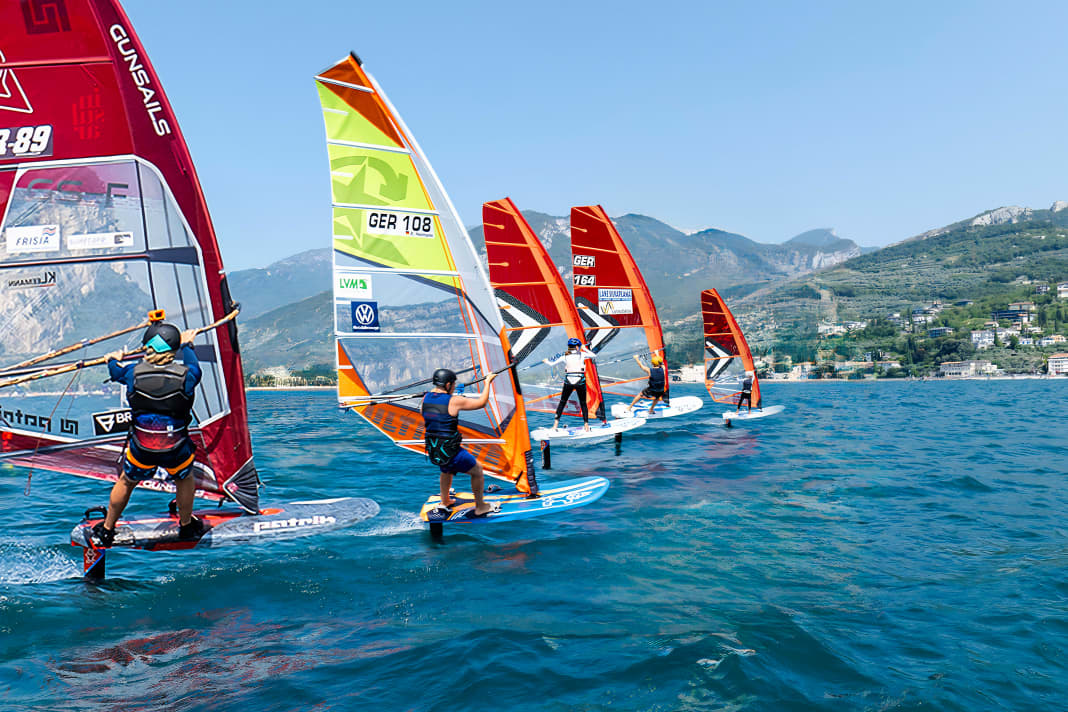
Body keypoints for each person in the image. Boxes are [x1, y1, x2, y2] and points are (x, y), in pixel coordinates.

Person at [91, 322, 202, 547]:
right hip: (176, 447)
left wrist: (113, 358)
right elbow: (192, 361)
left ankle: (107, 529)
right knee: (184, 478)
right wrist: (188, 344)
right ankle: (186, 525)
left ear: (147, 348)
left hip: (143, 447)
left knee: (127, 481)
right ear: (173, 350)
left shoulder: (131, 373)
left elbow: (115, 371)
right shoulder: (189, 375)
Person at [422, 368, 498, 517]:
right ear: (448, 384)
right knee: (477, 471)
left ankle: (445, 501)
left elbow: (434, 401)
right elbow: (481, 403)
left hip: (434, 450)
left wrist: (452, 393)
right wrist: (488, 382)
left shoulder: (425, 399)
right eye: (454, 384)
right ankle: (481, 507)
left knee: (446, 469)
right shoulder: (455, 401)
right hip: (452, 451)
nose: (455, 386)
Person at [542, 337, 597, 432]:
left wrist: (546, 361)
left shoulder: (564, 356)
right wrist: (584, 348)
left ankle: (555, 426)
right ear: (576, 347)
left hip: (569, 382)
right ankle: (586, 425)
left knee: (562, 402)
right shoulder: (582, 354)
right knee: (583, 403)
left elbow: (551, 364)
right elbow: (593, 356)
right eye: (578, 347)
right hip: (580, 381)